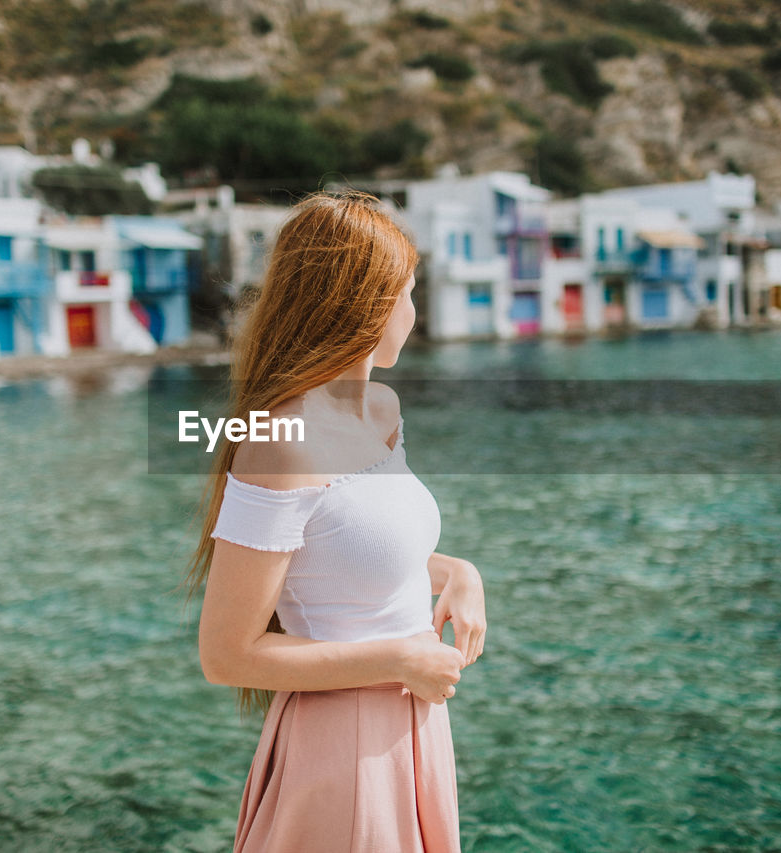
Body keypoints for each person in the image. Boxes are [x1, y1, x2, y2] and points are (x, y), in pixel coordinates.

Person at [184, 191, 487, 852]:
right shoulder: (279, 441)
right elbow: (225, 653)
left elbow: (352, 545)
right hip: (344, 751)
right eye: (408, 293)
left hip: (412, 730)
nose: (415, 310)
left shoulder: (380, 410)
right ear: (368, 304)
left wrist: (458, 571)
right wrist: (400, 656)